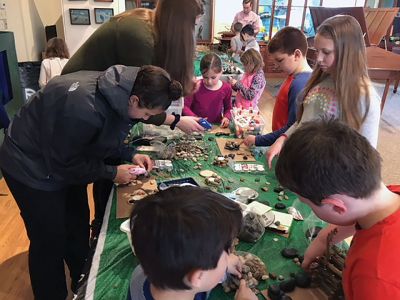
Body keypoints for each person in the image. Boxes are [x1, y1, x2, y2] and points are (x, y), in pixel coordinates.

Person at [0, 64, 182, 300]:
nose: (146, 119)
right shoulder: (85, 108)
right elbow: (65, 164)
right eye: (147, 114)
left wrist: (129, 153)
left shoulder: (121, 92)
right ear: (135, 100)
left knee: (76, 222)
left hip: (61, 155)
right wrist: (111, 172)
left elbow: (103, 136)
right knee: (49, 239)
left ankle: (81, 283)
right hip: (29, 166)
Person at [275, 118, 400, 300]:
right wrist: (322, 239)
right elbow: (356, 215)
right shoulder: (384, 197)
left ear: (336, 206)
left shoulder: (374, 278)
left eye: (308, 203)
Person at [62, 1, 206, 133]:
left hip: (89, 99)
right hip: (74, 100)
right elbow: (141, 104)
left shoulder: (153, 26)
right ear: (179, 24)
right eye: (193, 25)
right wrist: (176, 121)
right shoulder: (140, 37)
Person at [266, 15, 381, 169]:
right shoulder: (319, 80)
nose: (318, 58)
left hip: (328, 176)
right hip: (302, 164)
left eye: (326, 52)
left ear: (347, 52)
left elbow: (367, 156)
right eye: (317, 50)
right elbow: (304, 121)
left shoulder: (365, 97)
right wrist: (283, 138)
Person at [128, 186, 257, 300]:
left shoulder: (142, 272)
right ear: (199, 276)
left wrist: (222, 262)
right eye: (227, 249)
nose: (229, 253)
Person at [244, 27, 312, 147]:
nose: (275, 65)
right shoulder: (292, 76)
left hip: (285, 146)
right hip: (279, 141)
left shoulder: (299, 84)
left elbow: (292, 128)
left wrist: (258, 140)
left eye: (280, 60)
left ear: (297, 54)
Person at [183, 53, 232, 128]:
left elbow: (228, 108)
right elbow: (185, 106)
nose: (209, 81)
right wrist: (196, 118)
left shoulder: (226, 88)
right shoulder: (196, 86)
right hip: (196, 125)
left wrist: (226, 117)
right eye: (205, 77)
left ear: (221, 72)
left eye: (213, 77)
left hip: (216, 126)